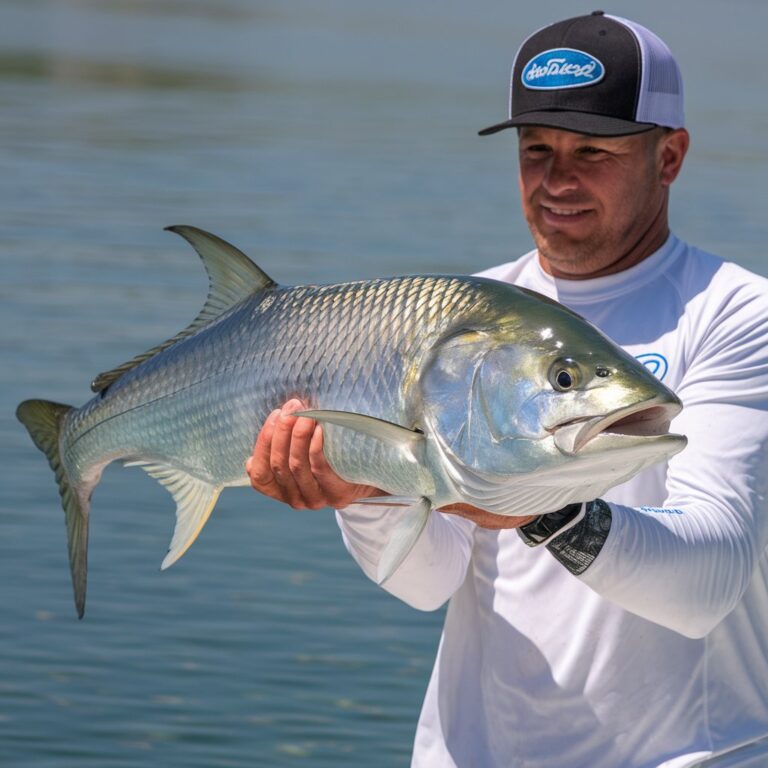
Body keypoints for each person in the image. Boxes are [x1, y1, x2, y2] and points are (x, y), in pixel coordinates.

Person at [246, 12, 768, 768]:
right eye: (536, 151)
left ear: (671, 156)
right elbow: (430, 581)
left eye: (592, 151)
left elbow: (707, 581)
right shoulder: (469, 314)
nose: (557, 181)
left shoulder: (737, 313)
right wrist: (362, 495)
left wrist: (543, 508)